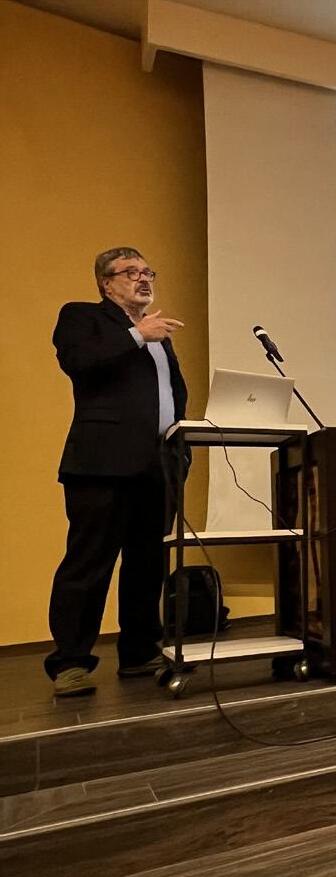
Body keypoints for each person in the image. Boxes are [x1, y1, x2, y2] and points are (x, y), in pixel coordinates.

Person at [47, 247, 187, 696]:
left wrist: (180, 451)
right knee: (89, 563)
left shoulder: (158, 334)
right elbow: (78, 361)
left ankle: (140, 652)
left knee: (147, 564)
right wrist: (136, 335)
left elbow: (171, 396)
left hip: (157, 466)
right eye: (130, 272)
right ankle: (71, 663)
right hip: (101, 465)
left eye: (148, 272)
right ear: (106, 283)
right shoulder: (82, 317)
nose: (143, 279)